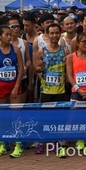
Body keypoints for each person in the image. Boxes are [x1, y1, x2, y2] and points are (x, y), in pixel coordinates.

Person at [0, 24, 24, 158]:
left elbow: (21, 69)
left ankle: (18, 145)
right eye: (6, 34)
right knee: (2, 116)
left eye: (10, 34)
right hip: (0, 86)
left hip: (14, 85)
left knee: (16, 115)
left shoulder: (16, 50)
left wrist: (16, 86)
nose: (9, 37)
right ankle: (4, 144)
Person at [35, 22, 68, 157]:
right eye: (52, 33)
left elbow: (68, 69)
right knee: (44, 117)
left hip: (61, 90)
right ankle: (42, 141)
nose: (54, 35)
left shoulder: (65, 51)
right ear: (47, 35)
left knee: (60, 117)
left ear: (60, 34)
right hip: (46, 90)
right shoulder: (42, 51)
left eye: (57, 33)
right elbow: (37, 68)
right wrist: (40, 69)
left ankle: (56, 141)